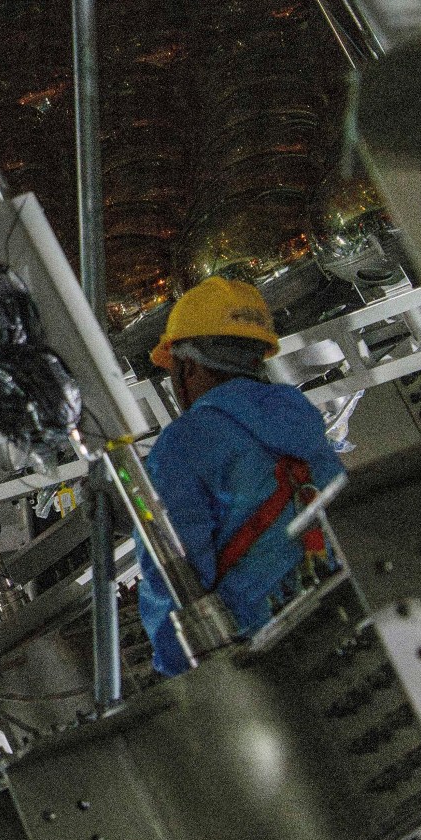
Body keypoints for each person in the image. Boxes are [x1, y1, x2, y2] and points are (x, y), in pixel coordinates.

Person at [137, 275, 346, 676]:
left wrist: (174, 667)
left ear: (188, 365)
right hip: (344, 604)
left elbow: (173, 572)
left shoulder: (182, 445)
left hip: (264, 651)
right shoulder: (301, 416)